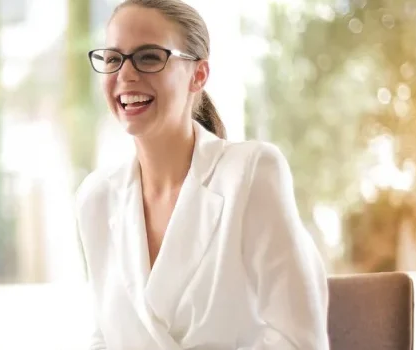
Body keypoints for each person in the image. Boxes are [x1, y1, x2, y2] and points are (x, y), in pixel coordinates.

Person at [74, 1, 330, 349]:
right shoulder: (96, 198)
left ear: (199, 74)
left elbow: (299, 341)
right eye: (113, 59)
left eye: (149, 57)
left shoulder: (251, 173)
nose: (125, 75)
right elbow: (102, 337)